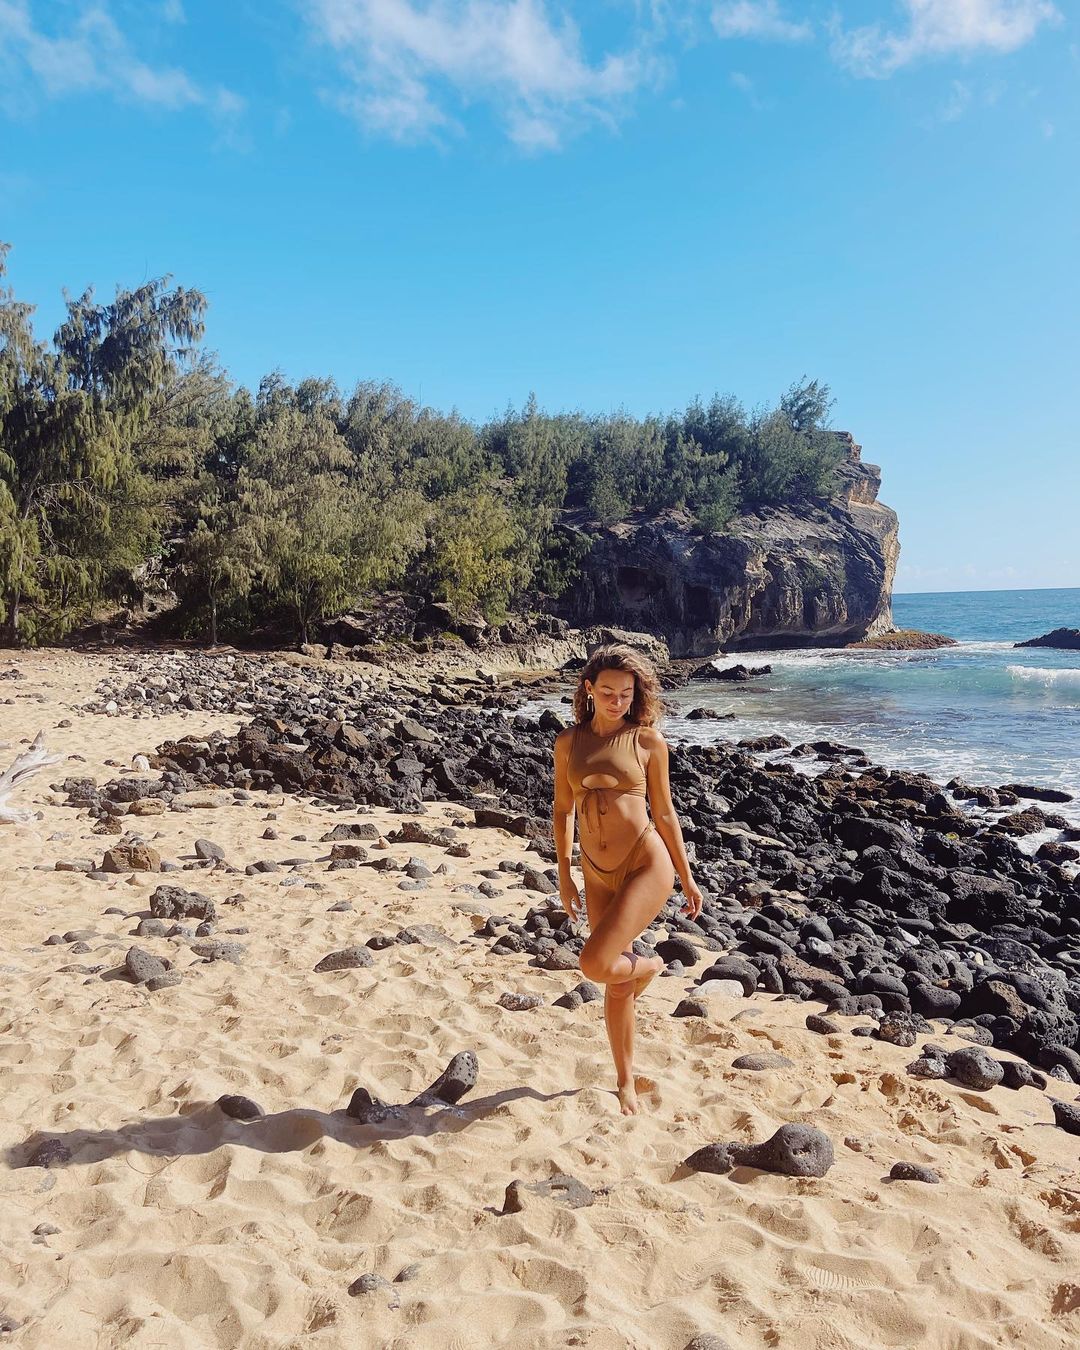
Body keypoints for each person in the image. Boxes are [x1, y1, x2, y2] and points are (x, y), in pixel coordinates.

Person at [552, 643, 703, 1115]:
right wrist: (565, 874)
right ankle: (624, 1081)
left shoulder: (647, 741)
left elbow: (664, 812)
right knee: (615, 985)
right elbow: (562, 810)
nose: (617, 701)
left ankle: (651, 966)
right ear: (589, 690)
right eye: (608, 692)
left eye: (625, 693)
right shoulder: (568, 742)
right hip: (594, 872)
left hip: (644, 864)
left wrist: (687, 876)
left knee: (595, 965)